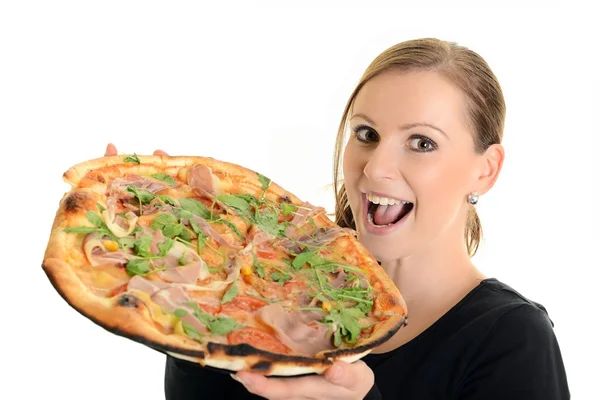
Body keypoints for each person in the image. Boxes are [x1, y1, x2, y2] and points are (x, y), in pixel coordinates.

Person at [105, 38, 570, 399]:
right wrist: (187, 301)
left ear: (485, 170)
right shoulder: (280, 287)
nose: (374, 168)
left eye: (421, 142)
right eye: (367, 133)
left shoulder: (511, 340)